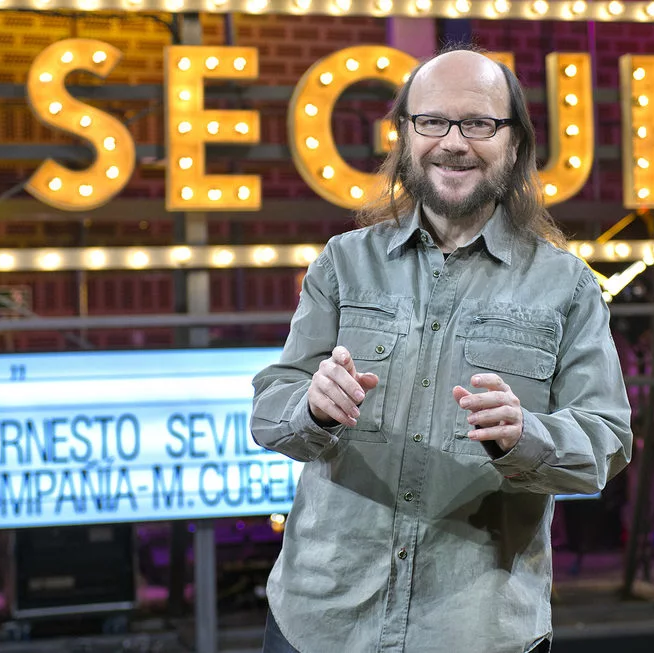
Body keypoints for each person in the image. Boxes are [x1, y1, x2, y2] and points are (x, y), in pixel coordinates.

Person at [250, 46, 633, 653]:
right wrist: (312, 407)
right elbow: (270, 409)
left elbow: (605, 442)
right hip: (321, 622)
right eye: (432, 122)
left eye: (478, 123)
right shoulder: (343, 264)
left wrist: (526, 436)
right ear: (405, 134)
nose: (453, 142)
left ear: (514, 142)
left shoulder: (567, 286)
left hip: (476, 630)